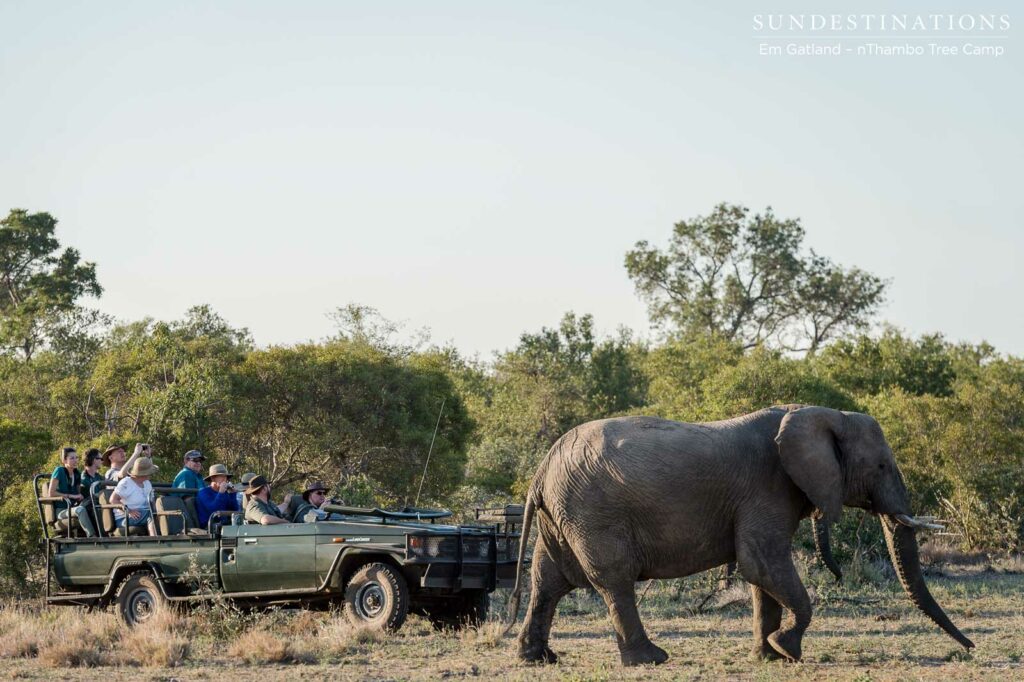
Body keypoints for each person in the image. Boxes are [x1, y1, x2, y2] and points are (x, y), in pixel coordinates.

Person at [110, 457, 158, 535]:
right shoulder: (126, 482)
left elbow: (152, 502)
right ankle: (155, 540)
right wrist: (129, 511)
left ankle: (176, 534)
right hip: (125, 518)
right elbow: (113, 500)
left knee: (160, 512)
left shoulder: (147, 483)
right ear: (144, 473)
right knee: (151, 514)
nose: (151, 474)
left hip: (144, 513)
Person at [48, 448, 87, 536]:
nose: (75, 460)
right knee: (80, 510)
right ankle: (92, 536)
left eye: (76, 458)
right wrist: (70, 496)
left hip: (73, 507)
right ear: (64, 460)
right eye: (72, 458)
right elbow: (51, 493)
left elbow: (78, 494)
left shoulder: (77, 473)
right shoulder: (59, 471)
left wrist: (80, 496)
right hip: (62, 511)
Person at [72, 448, 103, 537]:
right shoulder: (83, 479)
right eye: (100, 459)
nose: (102, 461)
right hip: (88, 507)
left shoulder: (99, 477)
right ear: (94, 460)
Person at [196, 463, 239, 528]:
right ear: (213, 478)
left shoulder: (224, 493)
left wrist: (232, 494)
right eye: (221, 476)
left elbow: (234, 510)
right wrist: (221, 492)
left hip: (224, 525)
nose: (225, 479)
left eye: (225, 476)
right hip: (209, 527)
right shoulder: (203, 492)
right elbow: (214, 510)